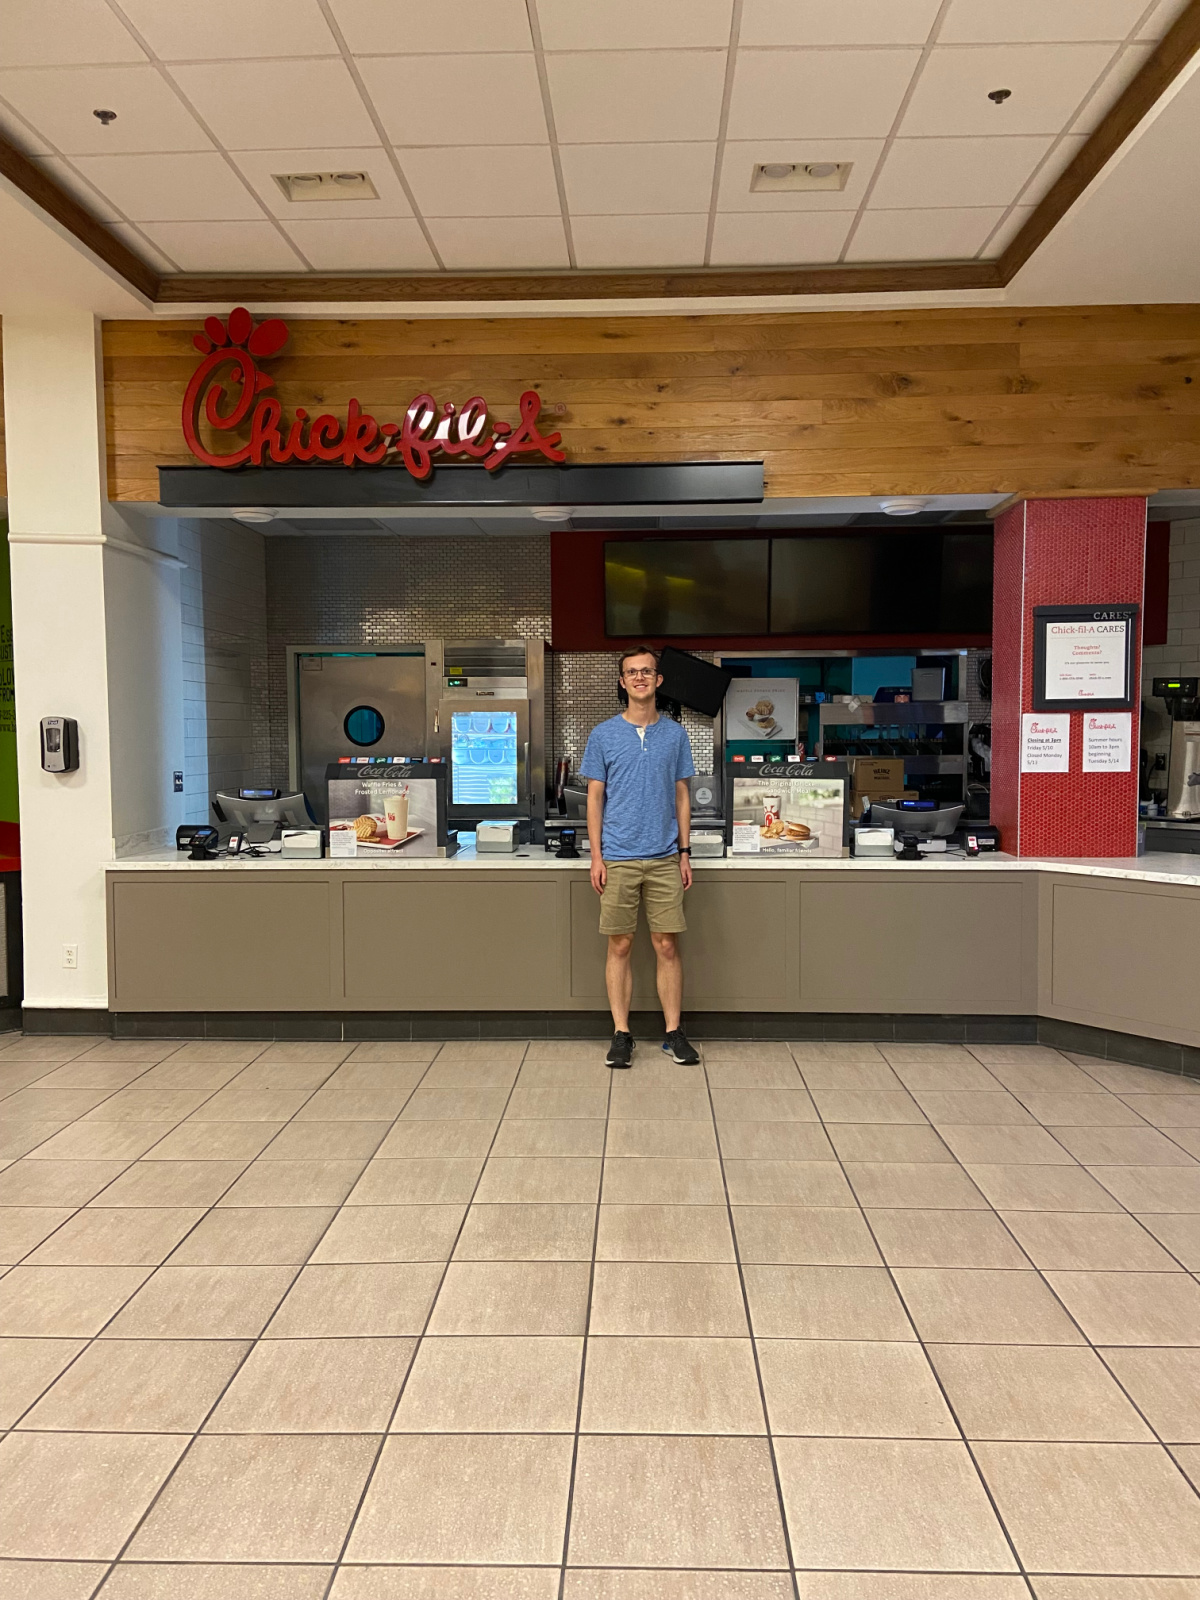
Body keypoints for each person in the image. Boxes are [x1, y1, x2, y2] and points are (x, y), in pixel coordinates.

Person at [580, 646, 700, 1069]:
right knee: (620, 944)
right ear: (622, 681)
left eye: (647, 671)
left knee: (667, 945)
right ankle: (621, 1034)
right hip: (618, 857)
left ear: (658, 680)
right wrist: (596, 856)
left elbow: (682, 794)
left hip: (666, 856)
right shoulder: (603, 735)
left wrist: (685, 851)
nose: (639, 677)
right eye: (632, 672)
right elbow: (595, 799)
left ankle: (673, 1033)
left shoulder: (676, 735)